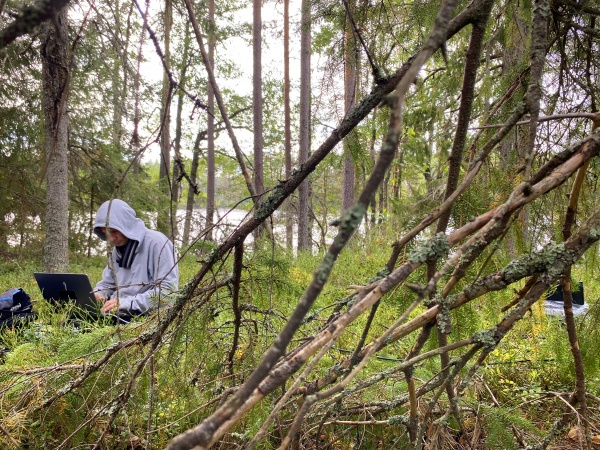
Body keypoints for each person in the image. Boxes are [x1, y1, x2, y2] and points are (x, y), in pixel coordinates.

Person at [93, 199, 178, 317]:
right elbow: (107, 283)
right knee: (72, 321)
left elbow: (168, 294)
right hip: (115, 314)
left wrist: (126, 303)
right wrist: (99, 294)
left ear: (126, 224)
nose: (111, 239)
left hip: (144, 317)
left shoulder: (157, 243)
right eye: (106, 233)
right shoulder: (118, 249)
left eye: (114, 231)